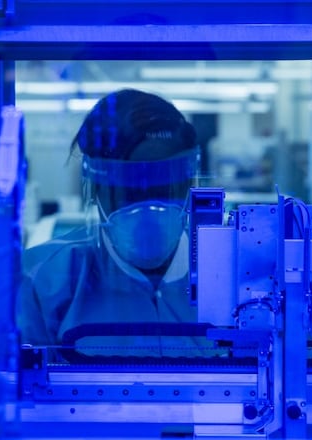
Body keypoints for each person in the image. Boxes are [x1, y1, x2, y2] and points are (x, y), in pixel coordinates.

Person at [16, 89, 206, 359]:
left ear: (188, 186)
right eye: (129, 192)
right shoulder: (44, 280)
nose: (148, 211)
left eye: (164, 190)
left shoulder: (233, 276)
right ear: (97, 190)